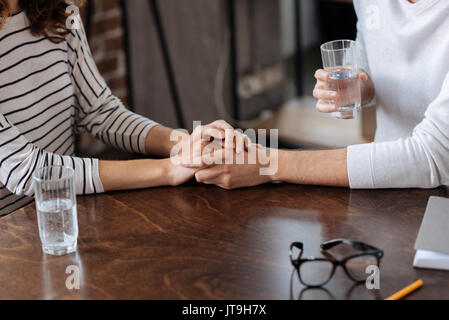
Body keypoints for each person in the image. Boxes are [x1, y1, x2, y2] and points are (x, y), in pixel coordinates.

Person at [0, 0, 249, 216]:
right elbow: (26, 171)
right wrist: (170, 169)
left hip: (66, 216)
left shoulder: (59, 12)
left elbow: (101, 112)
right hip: (12, 241)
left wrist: (186, 144)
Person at [191, 0, 449, 190]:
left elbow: (432, 155)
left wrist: (267, 163)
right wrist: (359, 89)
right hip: (384, 185)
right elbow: (372, 64)